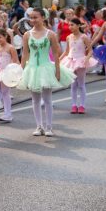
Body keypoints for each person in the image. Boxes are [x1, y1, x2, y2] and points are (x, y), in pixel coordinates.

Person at [19, 8, 75, 137]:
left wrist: (57, 69)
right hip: (32, 69)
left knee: (48, 99)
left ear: (43, 17)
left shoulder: (50, 34)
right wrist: (21, 71)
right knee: (35, 100)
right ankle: (39, 126)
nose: (33, 20)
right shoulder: (27, 34)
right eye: (31, 17)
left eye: (36, 17)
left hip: (46, 68)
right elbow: (25, 54)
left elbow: (56, 53)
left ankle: (49, 127)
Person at [60, 18, 96, 114]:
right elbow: (67, 51)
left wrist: (87, 58)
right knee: (73, 84)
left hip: (80, 61)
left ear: (78, 25)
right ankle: (74, 105)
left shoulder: (84, 37)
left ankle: (82, 105)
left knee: (81, 84)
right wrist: (58, 60)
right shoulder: (69, 37)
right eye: (69, 25)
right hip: (70, 61)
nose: (70, 27)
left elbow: (90, 50)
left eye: (72, 25)